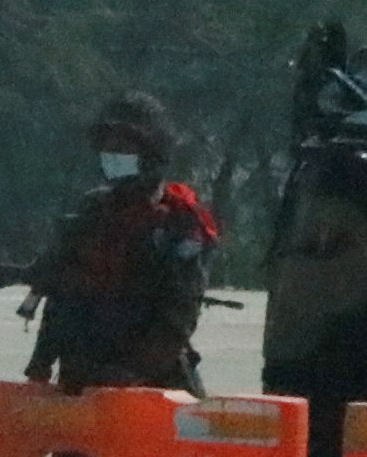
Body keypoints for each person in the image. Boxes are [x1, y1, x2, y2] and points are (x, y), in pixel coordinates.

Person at [23, 92, 221, 394]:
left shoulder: (180, 221)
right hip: (81, 376)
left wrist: (130, 374)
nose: (113, 155)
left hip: (152, 384)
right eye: (107, 147)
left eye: (124, 147)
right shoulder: (92, 212)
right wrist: (41, 362)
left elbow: (178, 316)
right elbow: (60, 296)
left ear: (151, 153)